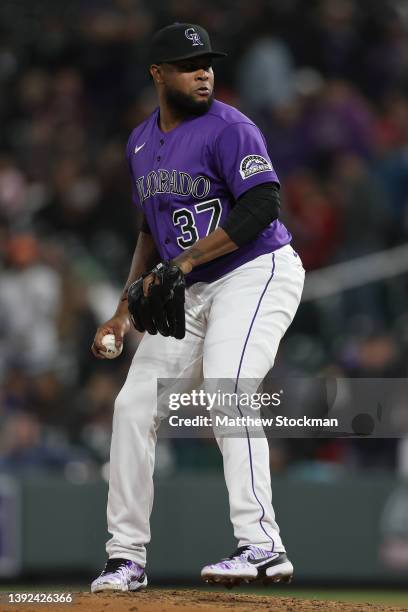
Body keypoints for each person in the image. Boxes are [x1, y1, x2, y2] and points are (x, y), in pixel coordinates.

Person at [90, 22, 305, 593]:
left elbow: (261, 206)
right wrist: (122, 312)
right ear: (158, 73)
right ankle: (125, 558)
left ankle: (263, 545)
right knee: (133, 406)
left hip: (256, 271)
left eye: (207, 61)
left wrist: (180, 267)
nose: (203, 71)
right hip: (194, 287)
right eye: (188, 64)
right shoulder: (139, 142)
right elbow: (149, 229)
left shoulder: (230, 127)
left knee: (228, 387)